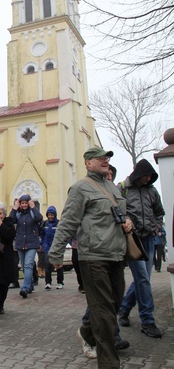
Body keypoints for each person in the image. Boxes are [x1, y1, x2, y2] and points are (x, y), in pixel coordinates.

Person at [49, 146, 132, 369]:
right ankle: (109, 363)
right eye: (100, 158)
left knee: (114, 305)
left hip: (116, 255)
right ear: (88, 163)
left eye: (107, 158)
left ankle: (86, 332)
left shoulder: (113, 189)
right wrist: (56, 252)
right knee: (104, 314)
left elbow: (121, 215)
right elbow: (67, 222)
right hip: (93, 256)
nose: (105, 160)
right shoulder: (80, 188)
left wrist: (129, 221)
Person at [118, 159, 165, 338]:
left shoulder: (152, 192)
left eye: (150, 176)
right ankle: (147, 320)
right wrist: (126, 223)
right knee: (143, 280)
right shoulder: (123, 189)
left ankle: (123, 309)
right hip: (133, 240)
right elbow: (117, 210)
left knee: (142, 279)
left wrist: (157, 227)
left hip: (150, 240)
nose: (147, 179)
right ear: (138, 174)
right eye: (145, 175)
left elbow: (159, 212)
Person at [9, 194, 43, 298]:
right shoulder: (18, 214)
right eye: (22, 203)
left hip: (32, 243)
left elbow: (39, 218)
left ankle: (24, 288)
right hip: (20, 243)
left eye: (26, 203)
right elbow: (10, 220)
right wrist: (14, 208)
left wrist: (33, 207)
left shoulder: (33, 213)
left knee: (28, 265)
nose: (24, 205)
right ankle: (30, 285)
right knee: (24, 266)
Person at [40, 206, 64, 290]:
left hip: (57, 247)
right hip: (47, 246)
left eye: (52, 215)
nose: (50, 217)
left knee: (58, 265)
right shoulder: (45, 223)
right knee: (47, 264)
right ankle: (48, 282)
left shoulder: (58, 223)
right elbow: (42, 234)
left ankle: (60, 282)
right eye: (49, 215)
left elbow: (62, 234)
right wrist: (41, 243)